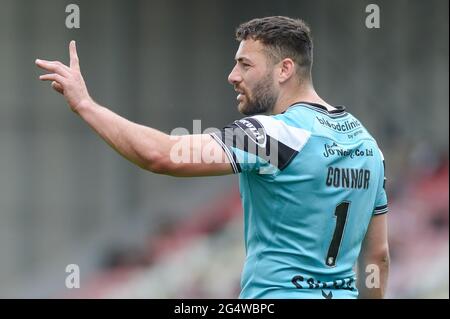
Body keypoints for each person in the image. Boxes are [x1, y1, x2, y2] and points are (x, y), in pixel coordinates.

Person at [35, 16, 389, 299]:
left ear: (284, 70)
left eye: (244, 65)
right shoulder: (368, 146)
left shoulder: (275, 134)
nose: (232, 76)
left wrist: (85, 105)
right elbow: (378, 257)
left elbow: (162, 155)